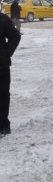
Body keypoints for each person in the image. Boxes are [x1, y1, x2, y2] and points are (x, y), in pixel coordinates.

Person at [1, 8, 22, 137]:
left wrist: (5, 53)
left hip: (1, 66)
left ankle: (3, 125)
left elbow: (15, 36)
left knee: (2, 96)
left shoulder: (2, 19)